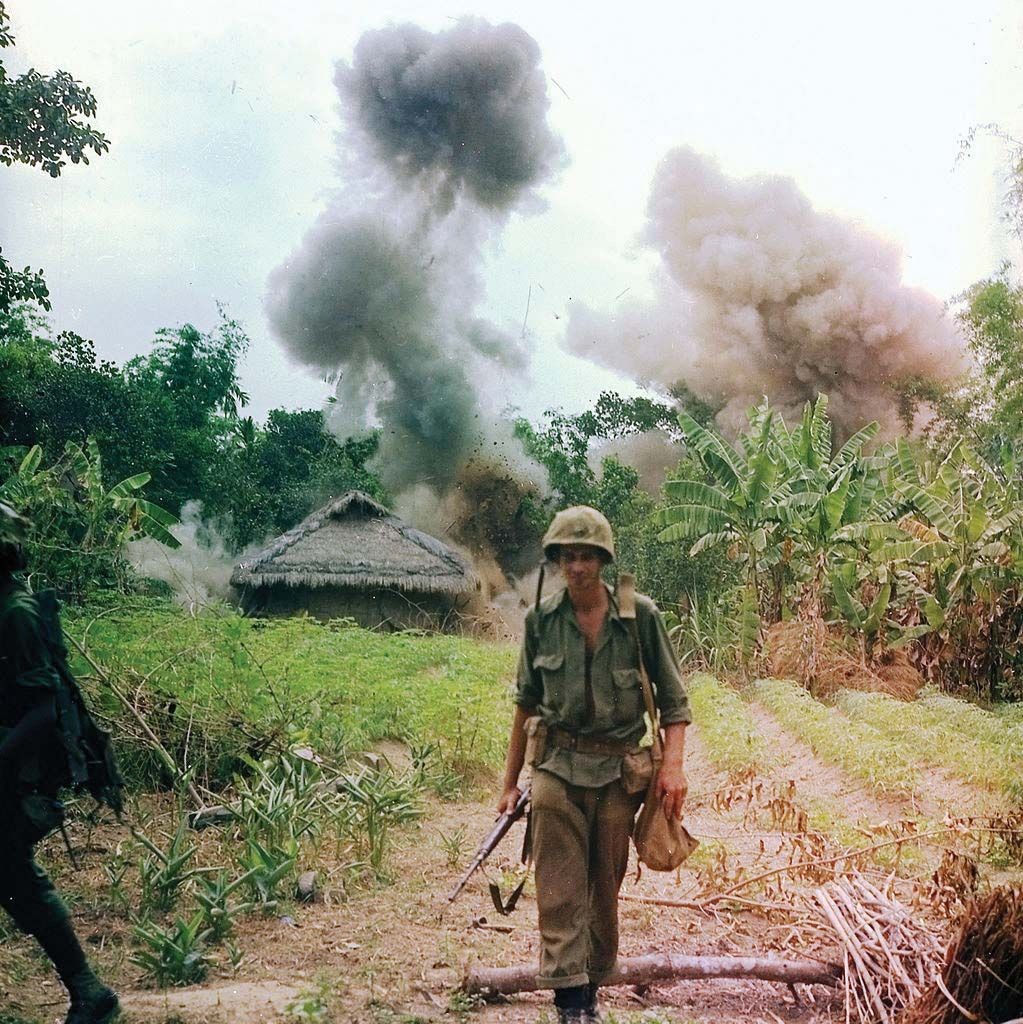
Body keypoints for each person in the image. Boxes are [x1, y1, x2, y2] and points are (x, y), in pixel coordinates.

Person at [498, 506, 692, 1023]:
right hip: (557, 769)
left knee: (603, 887)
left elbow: (674, 703)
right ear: (557, 561)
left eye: (587, 557)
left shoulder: (639, 616)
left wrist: (673, 766)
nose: (577, 567)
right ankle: (571, 1003)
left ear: (603, 561)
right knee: (558, 887)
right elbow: (525, 705)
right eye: (568, 556)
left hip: (616, 775)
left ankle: (595, 983)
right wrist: (510, 783)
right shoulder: (542, 620)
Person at [0, 501, 123, 1024]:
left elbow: (45, 709)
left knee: (14, 876)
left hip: (16, 775)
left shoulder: (16, 614)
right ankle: (87, 990)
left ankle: (89, 992)